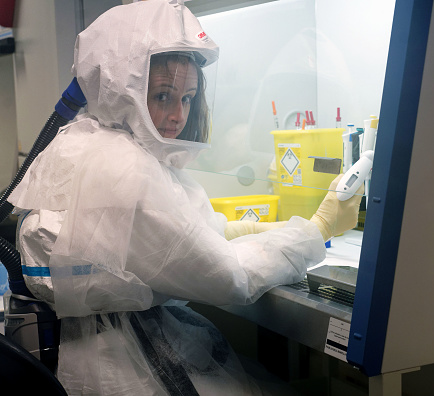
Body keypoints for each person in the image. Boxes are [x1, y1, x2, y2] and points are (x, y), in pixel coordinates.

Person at [8, 1, 363, 395]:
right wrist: (317, 229)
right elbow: (230, 279)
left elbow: (174, 236)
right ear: (122, 92)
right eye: (163, 96)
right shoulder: (122, 170)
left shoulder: (86, 142)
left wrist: (243, 229)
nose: (178, 114)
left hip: (112, 344)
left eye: (188, 98)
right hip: (120, 365)